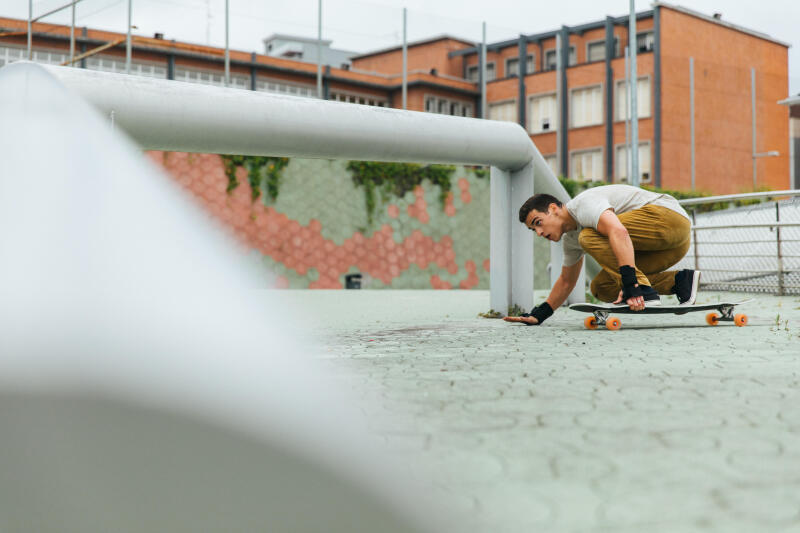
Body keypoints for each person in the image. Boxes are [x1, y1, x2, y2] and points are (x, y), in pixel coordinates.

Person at [504, 183, 701, 326]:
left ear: (553, 209)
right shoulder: (570, 240)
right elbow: (566, 281)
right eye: (533, 230)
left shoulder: (583, 205)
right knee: (601, 288)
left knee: (588, 236)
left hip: (670, 219)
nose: (539, 233)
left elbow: (618, 231)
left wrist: (632, 285)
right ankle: (680, 281)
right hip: (669, 249)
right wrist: (540, 314)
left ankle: (641, 287)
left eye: (538, 223)